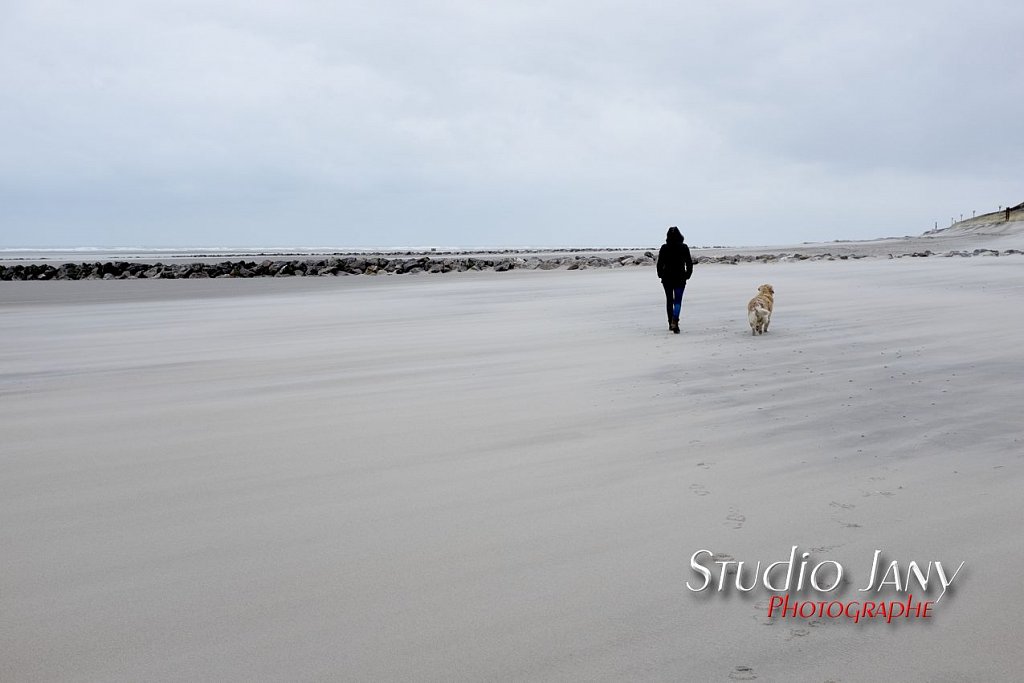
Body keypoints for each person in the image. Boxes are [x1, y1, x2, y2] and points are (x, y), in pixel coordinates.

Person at [657, 226, 693, 333]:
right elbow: (689, 263)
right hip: (680, 278)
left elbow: (660, 264)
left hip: (667, 278)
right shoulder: (684, 247)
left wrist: (660, 274)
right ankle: (675, 320)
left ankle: (670, 323)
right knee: (677, 300)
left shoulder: (664, 248)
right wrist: (688, 274)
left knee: (669, 300)